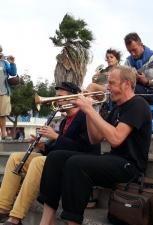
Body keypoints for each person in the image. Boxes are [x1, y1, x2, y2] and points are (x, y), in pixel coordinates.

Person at [38, 65, 152, 225]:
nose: (107, 87)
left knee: (76, 164)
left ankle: (73, 221)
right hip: (114, 161)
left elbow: (116, 138)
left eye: (111, 83)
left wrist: (89, 110)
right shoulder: (116, 110)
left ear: (126, 84)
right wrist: (89, 112)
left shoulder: (138, 104)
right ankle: (47, 220)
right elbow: (95, 139)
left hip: (130, 167)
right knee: (56, 157)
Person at [0, 81, 100, 225]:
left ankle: (16, 217)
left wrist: (56, 137)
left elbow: (84, 148)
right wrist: (43, 147)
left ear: (74, 97)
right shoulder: (65, 121)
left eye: (60, 97)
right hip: (61, 160)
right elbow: (58, 151)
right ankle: (3, 208)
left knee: (38, 162)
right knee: (16, 158)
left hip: (80, 162)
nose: (57, 101)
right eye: (56, 97)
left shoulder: (85, 116)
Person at [124, 32, 153, 105]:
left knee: (131, 91)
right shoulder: (128, 61)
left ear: (141, 45)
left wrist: (147, 81)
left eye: (134, 50)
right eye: (129, 51)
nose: (132, 54)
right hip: (138, 88)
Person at [0, 45, 17, 140]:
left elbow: (13, 73)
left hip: (4, 92)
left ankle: (3, 133)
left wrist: (12, 63)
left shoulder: (4, 63)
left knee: (2, 114)